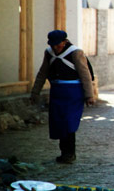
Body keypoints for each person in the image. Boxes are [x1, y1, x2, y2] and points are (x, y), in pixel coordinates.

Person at [30, 30, 96, 164]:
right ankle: (64, 152)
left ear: (65, 42)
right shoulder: (49, 53)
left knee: (68, 122)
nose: (55, 47)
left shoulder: (76, 53)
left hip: (73, 93)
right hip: (57, 92)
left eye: (58, 45)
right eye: (53, 45)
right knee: (58, 122)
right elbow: (43, 73)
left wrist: (89, 95)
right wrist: (35, 92)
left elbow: (85, 75)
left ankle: (70, 153)